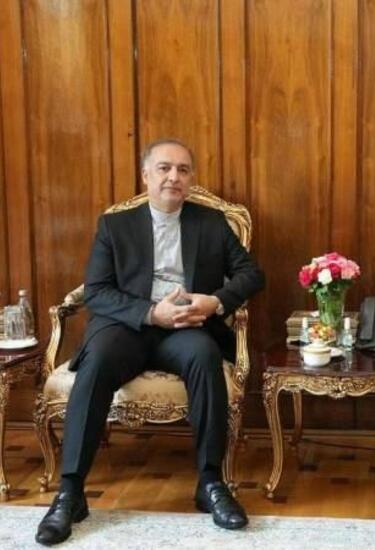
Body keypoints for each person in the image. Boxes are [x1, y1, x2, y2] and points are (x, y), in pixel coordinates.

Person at [35, 139, 265, 545]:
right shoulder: (115, 225)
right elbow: (98, 291)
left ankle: (211, 483)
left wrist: (215, 302)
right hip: (128, 326)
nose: (174, 177)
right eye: (164, 168)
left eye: (183, 170)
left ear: (191, 179)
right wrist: (151, 312)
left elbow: (252, 274)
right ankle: (70, 492)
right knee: (97, 359)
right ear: (146, 176)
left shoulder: (211, 223)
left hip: (187, 329)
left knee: (205, 355)